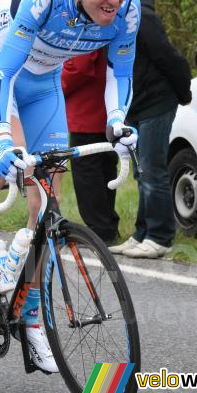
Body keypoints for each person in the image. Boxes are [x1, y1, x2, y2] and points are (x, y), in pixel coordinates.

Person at [0, 0, 141, 372]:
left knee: (47, 204)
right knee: (11, 164)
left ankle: (32, 316)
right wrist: (1, 139)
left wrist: (117, 121)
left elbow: (120, 72)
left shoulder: (127, 11)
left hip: (44, 86)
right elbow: (5, 71)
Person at [109, 0, 192, 259]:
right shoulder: (112, 18)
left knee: (153, 170)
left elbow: (168, 56)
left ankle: (160, 237)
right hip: (136, 103)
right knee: (140, 172)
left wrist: (183, 93)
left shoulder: (141, 15)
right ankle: (142, 233)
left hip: (157, 100)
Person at [61, 47, 121, 245]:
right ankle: (107, 225)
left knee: (88, 173)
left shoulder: (87, 32)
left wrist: (52, 85)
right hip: (104, 110)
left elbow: (79, 68)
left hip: (86, 109)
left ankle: (99, 229)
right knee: (105, 168)